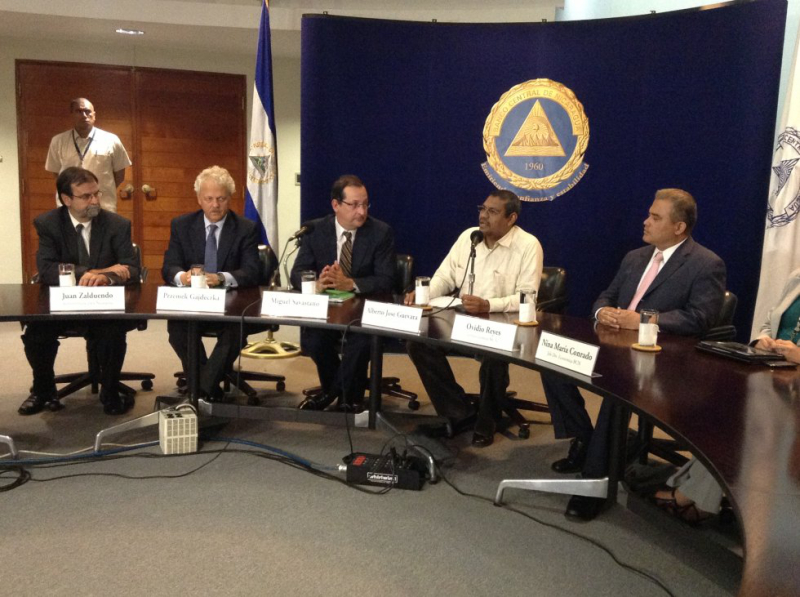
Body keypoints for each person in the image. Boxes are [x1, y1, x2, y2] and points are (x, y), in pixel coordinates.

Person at [542, 188, 726, 521]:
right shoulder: (635, 257)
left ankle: (595, 482)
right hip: (612, 346)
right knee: (551, 357)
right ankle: (586, 440)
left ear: (679, 227)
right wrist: (604, 313)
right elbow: (605, 296)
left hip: (661, 360)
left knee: (618, 392)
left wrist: (642, 320)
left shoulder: (705, 263)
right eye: (649, 214)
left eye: (655, 217)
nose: (645, 221)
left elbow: (701, 319)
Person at [654, 268, 800, 522]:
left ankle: (691, 497)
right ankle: (696, 493)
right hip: (775, 374)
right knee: (725, 407)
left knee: (746, 422)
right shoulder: (797, 277)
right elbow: (769, 324)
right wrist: (763, 340)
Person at [404, 190, 543, 447]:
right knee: (418, 343)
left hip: (502, 326)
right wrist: (423, 294)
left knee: (493, 357)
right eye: (482, 209)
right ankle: (459, 413)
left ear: (511, 218)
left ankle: (487, 421)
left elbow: (527, 298)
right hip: (461, 320)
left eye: (492, 211)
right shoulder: (469, 237)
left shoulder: (528, 245)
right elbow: (445, 277)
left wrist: (489, 305)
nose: (483, 216)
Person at [19, 166, 140, 416]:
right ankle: (43, 389)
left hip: (103, 304)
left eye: (96, 194)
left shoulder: (117, 224)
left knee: (112, 332)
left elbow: (132, 268)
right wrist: (96, 271)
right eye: (86, 196)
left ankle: (110, 391)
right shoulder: (48, 224)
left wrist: (103, 278)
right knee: (36, 333)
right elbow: (47, 269)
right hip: (63, 304)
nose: (94, 201)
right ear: (66, 199)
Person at [290, 175, 396, 410]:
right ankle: (344, 394)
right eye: (354, 205)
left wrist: (351, 284)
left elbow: (387, 280)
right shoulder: (315, 230)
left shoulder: (380, 232)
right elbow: (296, 273)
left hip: (364, 312)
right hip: (327, 311)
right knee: (314, 340)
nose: (362, 211)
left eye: (365, 204)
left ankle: (334, 395)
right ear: (336, 205)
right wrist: (316, 284)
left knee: (360, 342)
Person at [162, 165, 260, 400]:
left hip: (231, 305)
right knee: (177, 329)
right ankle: (208, 386)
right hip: (193, 301)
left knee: (233, 332)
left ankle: (201, 389)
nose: (215, 205)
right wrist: (182, 277)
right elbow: (169, 267)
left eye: (221, 199)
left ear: (229, 198)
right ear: (199, 199)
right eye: (209, 199)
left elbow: (252, 271)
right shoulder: (182, 225)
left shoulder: (245, 228)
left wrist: (221, 277)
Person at [45, 98, 132, 213]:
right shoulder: (58, 141)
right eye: (79, 111)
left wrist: (97, 190)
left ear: (94, 115)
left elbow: (119, 174)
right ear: (72, 115)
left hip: (103, 206)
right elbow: (57, 174)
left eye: (87, 111)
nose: (84, 115)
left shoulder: (111, 140)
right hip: (70, 208)